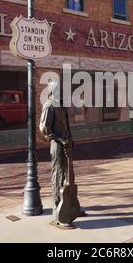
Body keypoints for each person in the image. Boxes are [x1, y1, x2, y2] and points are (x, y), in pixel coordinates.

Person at [39, 80, 85, 229]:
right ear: (52, 90)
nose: (60, 90)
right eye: (58, 88)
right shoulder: (49, 105)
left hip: (67, 144)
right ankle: (58, 210)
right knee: (58, 175)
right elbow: (45, 130)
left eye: (61, 87)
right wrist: (61, 140)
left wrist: (70, 140)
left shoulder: (62, 104)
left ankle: (70, 205)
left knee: (69, 175)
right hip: (57, 145)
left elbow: (66, 125)